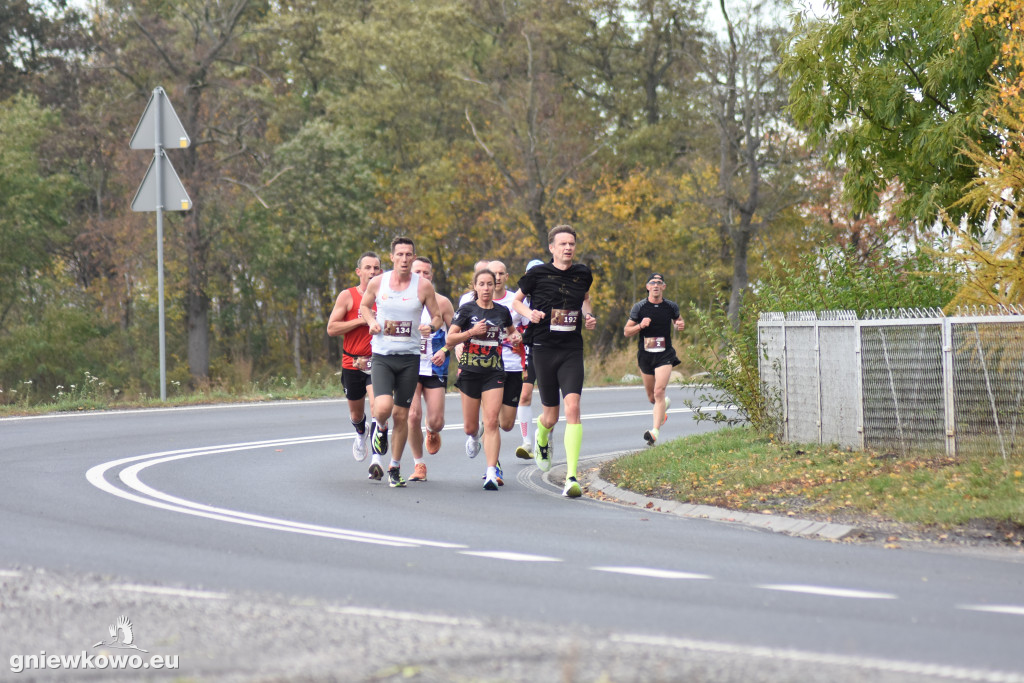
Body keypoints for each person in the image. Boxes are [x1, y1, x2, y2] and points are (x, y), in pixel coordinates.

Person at [513, 225, 596, 498]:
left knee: (573, 407)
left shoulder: (583, 273)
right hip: (544, 348)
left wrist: (588, 315)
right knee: (551, 415)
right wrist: (531, 313)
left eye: (571, 243)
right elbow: (516, 302)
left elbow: (584, 298)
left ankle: (571, 477)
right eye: (562, 244)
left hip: (571, 348)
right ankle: (542, 435)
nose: (568, 248)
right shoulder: (537, 274)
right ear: (551, 248)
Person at [359, 237, 443, 488]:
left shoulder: (423, 286)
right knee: (383, 407)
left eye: (409, 254)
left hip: (410, 358)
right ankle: (380, 428)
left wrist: (431, 326)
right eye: (400, 254)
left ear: (413, 256)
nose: (405, 259)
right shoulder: (378, 282)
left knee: (402, 415)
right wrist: (372, 322)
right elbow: (364, 306)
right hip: (383, 356)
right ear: (392, 257)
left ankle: (394, 467)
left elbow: (437, 316)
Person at [447, 269, 520, 490]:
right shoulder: (467, 309)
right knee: (471, 427)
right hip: (470, 371)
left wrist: (515, 338)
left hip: (494, 371)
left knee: (491, 422)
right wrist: (471, 332)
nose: (486, 288)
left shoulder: (502, 311)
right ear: (475, 287)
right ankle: (473, 437)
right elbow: (450, 338)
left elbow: (511, 333)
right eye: (482, 284)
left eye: (490, 284)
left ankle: (490, 472)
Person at [326, 252, 382, 462]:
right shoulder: (347, 296)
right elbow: (332, 328)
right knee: (356, 415)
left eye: (376, 268)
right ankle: (360, 432)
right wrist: (361, 320)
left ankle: (376, 459)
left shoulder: (385, 298)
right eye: (368, 268)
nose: (372, 272)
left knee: (378, 409)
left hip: (377, 361)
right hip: (352, 361)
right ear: (359, 272)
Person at [406, 256, 455, 482]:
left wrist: (445, 350)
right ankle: (419, 465)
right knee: (413, 415)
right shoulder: (404, 300)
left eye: (426, 273)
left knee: (435, 421)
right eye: (418, 272)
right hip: (410, 364)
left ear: (431, 276)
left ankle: (432, 430)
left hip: (435, 366)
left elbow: (456, 334)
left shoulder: (442, 302)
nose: (422, 277)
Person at [624, 272, 686, 446]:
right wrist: (640, 326)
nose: (656, 285)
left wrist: (680, 325)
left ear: (664, 287)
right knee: (652, 397)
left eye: (660, 282)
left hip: (665, 355)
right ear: (648, 287)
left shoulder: (671, 306)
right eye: (653, 282)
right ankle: (662, 410)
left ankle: (654, 432)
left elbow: (678, 321)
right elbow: (626, 331)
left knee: (660, 391)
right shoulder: (640, 308)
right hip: (645, 356)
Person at [513, 258, 545, 460]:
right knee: (524, 396)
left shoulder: (549, 297)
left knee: (548, 400)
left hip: (547, 352)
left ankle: (544, 437)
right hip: (527, 354)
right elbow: (507, 323)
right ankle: (527, 443)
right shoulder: (519, 301)